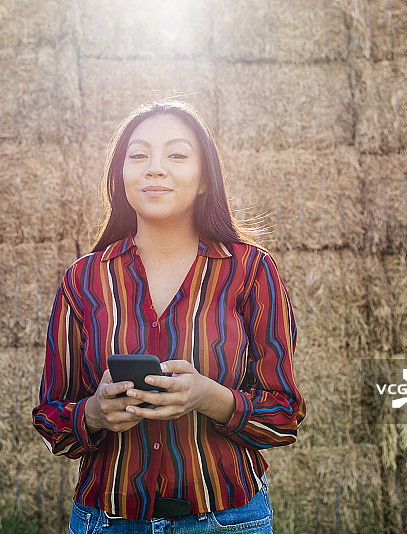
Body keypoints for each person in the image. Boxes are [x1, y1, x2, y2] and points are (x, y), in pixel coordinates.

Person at [32, 100, 306, 533]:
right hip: (106, 523)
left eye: (176, 154)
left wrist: (209, 397)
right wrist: (93, 413)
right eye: (138, 155)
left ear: (203, 180)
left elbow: (285, 415)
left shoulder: (251, 271)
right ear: (120, 177)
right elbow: (50, 415)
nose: (154, 168)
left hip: (226, 522)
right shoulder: (83, 280)